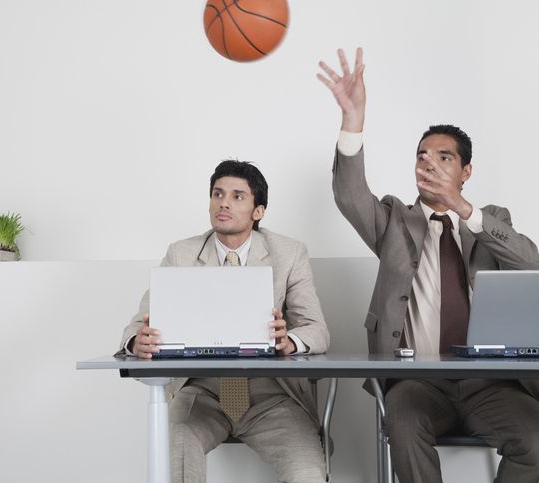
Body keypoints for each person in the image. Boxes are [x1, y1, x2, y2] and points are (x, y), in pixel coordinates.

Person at [318, 47, 539, 483]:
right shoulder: (394, 220)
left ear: (466, 171)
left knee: (535, 440)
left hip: (490, 384)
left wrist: (462, 208)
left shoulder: (490, 220)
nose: (428, 162)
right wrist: (352, 121)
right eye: (422, 155)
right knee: (401, 423)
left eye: (444, 157)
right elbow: (349, 196)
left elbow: (530, 263)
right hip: (417, 381)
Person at [118, 159, 330, 483]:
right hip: (202, 390)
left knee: (309, 474)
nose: (224, 203)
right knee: (176, 448)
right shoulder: (181, 254)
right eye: (217, 194)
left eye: (237, 196)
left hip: (270, 394)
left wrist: (290, 342)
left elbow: (317, 329)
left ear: (258, 211)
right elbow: (136, 324)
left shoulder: (289, 253)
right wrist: (136, 341)